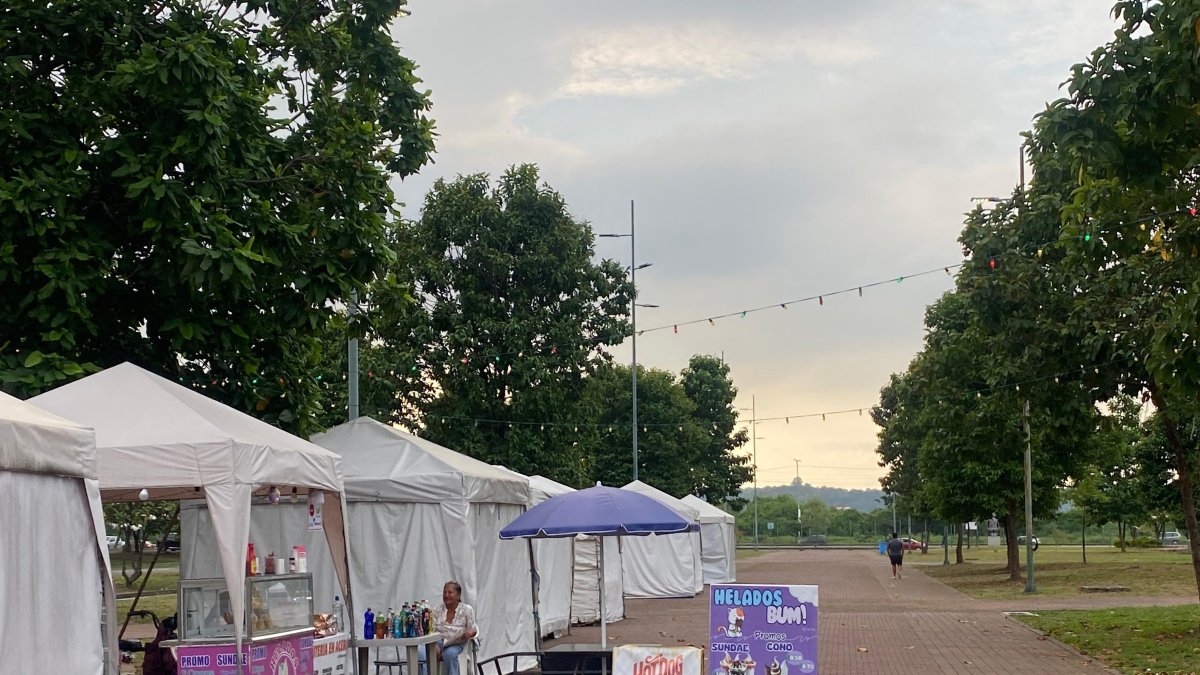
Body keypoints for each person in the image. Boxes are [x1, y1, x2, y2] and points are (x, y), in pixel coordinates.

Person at [428, 580, 477, 675]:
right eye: (444, 592)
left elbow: (473, 629)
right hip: (437, 642)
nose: (446, 595)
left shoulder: (467, 609)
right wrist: (434, 646)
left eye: (450, 592)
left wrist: (469, 633)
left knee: (449, 654)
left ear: (458, 595)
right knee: (422, 653)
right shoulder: (436, 610)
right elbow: (431, 630)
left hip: (457, 642)